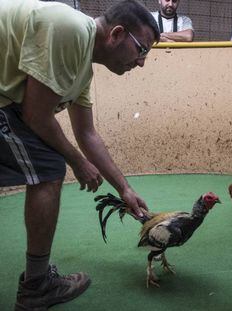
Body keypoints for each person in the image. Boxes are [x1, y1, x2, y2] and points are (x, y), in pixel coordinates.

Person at [0, 0, 160, 309]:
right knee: (49, 167)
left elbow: (87, 135)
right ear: (116, 33)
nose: (142, 63)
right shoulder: (71, 27)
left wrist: (124, 189)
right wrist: (77, 162)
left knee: (45, 159)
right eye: (142, 50)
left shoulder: (82, 69)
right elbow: (35, 115)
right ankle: (37, 286)